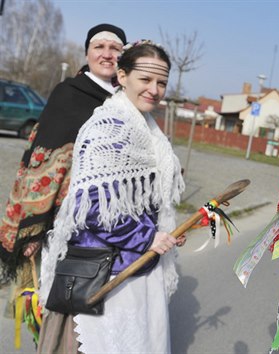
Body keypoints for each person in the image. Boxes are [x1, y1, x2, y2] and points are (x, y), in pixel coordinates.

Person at [37, 40, 185, 353]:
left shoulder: (150, 130)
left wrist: (163, 233)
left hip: (141, 268)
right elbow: (92, 209)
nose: (154, 90)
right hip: (106, 273)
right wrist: (147, 237)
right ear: (122, 76)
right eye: (145, 79)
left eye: (161, 82)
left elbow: (145, 201)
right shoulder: (107, 127)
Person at [0, 23, 127, 284]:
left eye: (115, 48)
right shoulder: (67, 93)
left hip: (105, 216)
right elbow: (40, 158)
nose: (106, 54)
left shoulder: (125, 100)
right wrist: (36, 227)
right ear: (87, 53)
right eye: (99, 47)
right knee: (55, 289)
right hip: (59, 217)